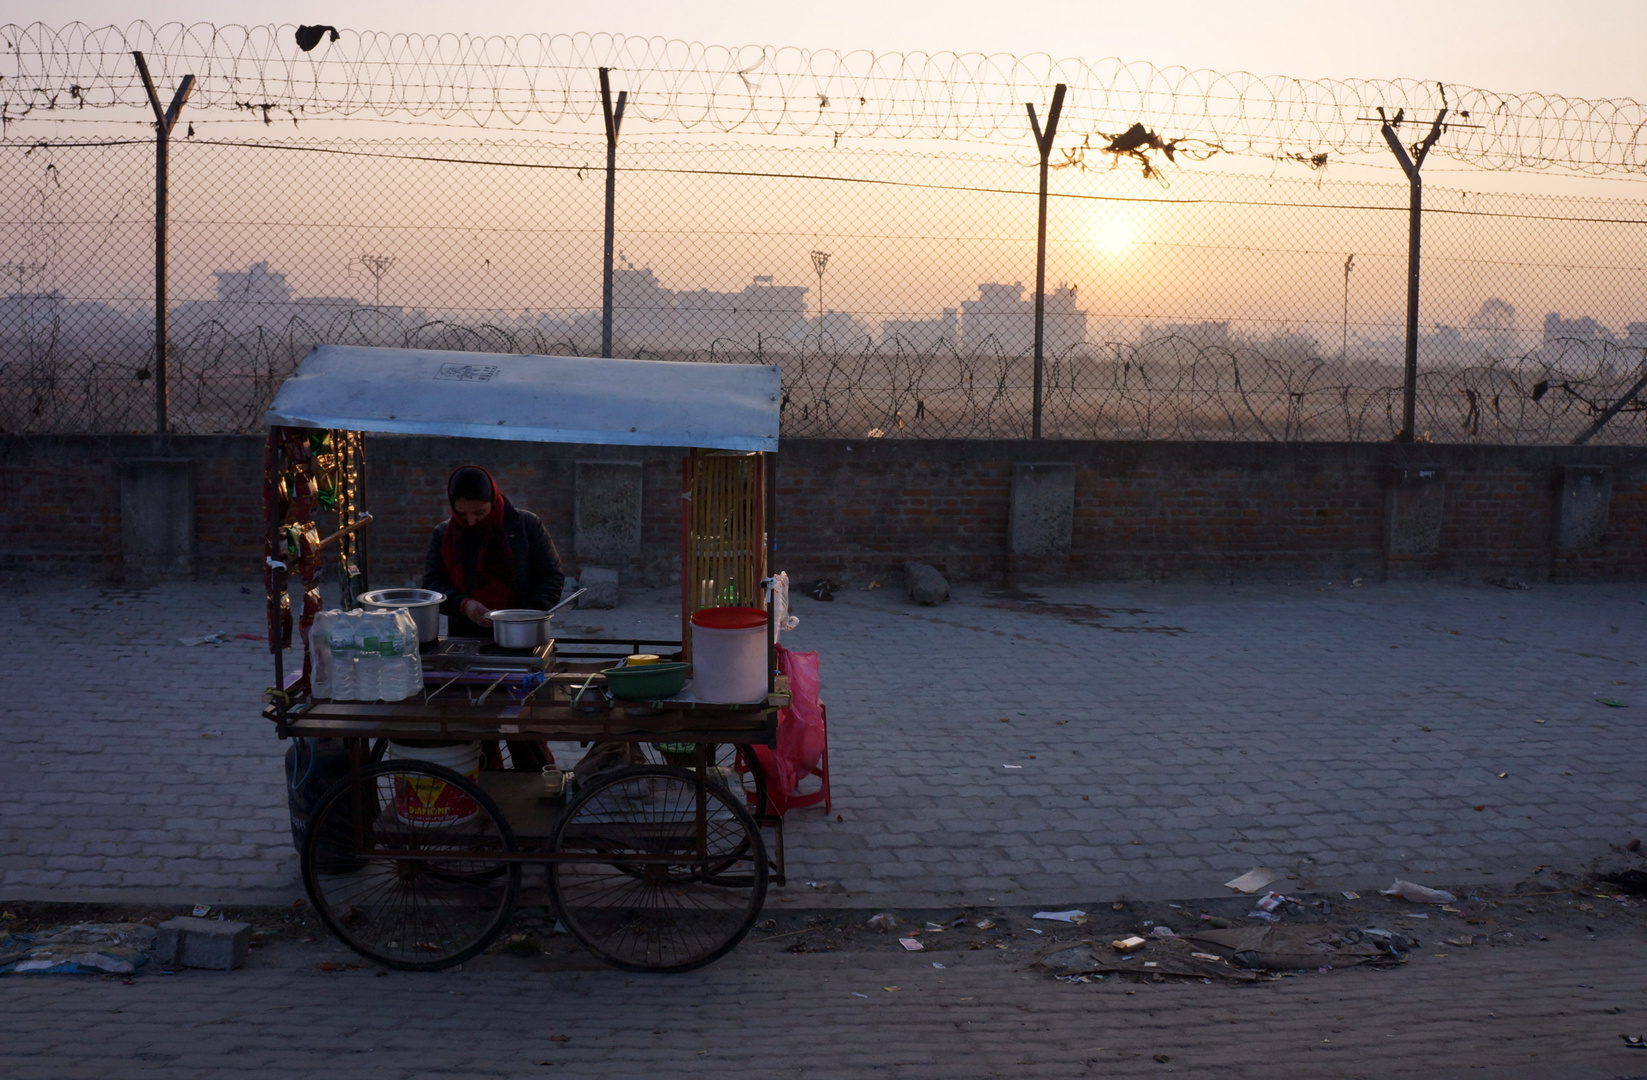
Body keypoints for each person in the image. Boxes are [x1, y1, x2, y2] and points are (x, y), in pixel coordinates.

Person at [422, 465, 565, 638]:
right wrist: (464, 605)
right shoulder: (444, 535)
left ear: (493, 500)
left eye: (479, 512)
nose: (471, 522)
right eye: (462, 514)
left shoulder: (527, 526)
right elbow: (432, 585)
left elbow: (551, 576)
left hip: (523, 633)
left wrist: (526, 615)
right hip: (465, 634)